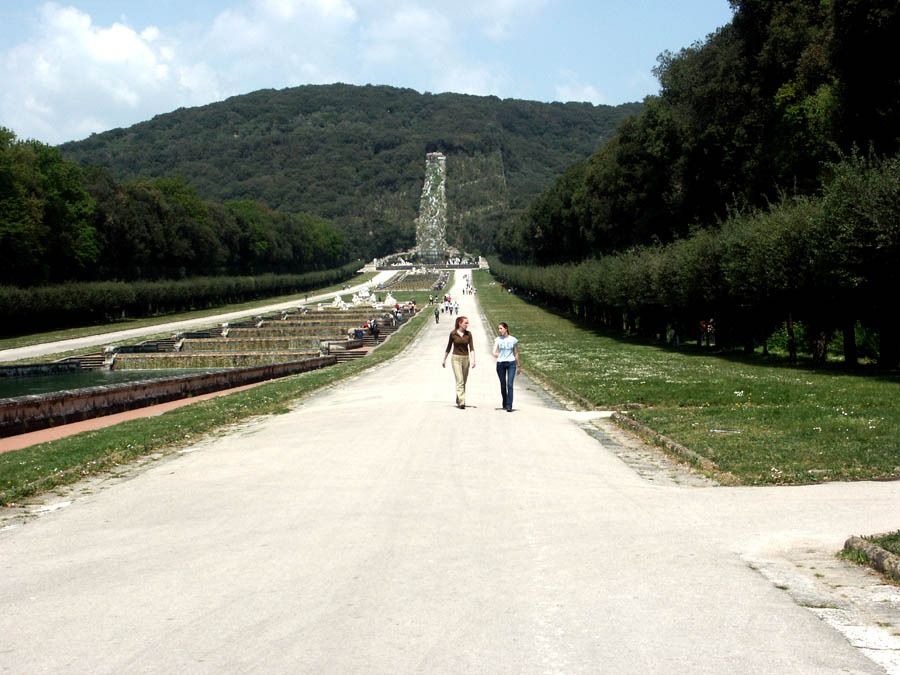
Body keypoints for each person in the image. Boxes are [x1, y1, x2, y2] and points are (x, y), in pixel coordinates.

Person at [442, 315, 476, 409]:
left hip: (466, 359)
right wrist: (444, 359)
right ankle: (462, 402)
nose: (467, 324)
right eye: (466, 323)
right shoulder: (453, 334)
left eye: (467, 323)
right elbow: (448, 347)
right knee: (460, 380)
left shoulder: (469, 334)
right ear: (460, 323)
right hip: (455, 359)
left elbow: (471, 348)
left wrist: (473, 360)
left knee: (463, 381)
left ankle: (459, 398)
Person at [492, 322, 520, 412]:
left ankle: (509, 405)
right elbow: (494, 352)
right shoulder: (498, 339)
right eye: (499, 329)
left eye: (501, 328)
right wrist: (498, 355)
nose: (499, 330)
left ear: (506, 328)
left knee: (510, 384)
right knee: (503, 385)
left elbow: (516, 353)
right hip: (500, 364)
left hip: (511, 363)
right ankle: (505, 402)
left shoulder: (513, 340)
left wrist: (518, 365)